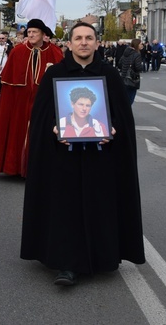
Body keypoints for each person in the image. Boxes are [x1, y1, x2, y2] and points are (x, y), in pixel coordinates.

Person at [21, 21, 144, 286]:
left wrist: (113, 127)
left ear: (97, 43)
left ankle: (102, 258)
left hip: (101, 158)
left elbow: (123, 116)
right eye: (78, 38)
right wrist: (55, 128)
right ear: (70, 43)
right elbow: (41, 117)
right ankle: (67, 264)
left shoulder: (110, 75)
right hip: (63, 159)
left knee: (100, 206)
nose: (84, 42)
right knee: (66, 210)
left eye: (89, 38)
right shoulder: (55, 75)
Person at [0, 18, 63, 177]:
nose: (32, 35)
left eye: (35, 32)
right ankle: (14, 167)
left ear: (43, 34)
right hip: (19, 102)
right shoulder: (18, 51)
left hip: (45, 104)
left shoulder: (55, 52)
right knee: (17, 132)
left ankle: (41, 168)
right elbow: (8, 85)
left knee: (43, 134)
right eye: (29, 32)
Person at [118, 38, 143, 104]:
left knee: (124, 99)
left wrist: (125, 68)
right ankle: (126, 114)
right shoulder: (136, 54)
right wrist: (142, 67)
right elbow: (138, 67)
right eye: (140, 44)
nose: (142, 45)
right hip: (132, 79)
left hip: (123, 78)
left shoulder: (126, 53)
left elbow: (119, 64)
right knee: (130, 99)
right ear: (136, 45)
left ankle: (123, 113)